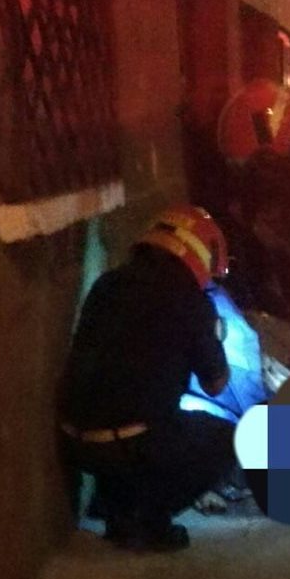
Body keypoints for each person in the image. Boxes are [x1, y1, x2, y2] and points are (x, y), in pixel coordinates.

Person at [57, 206, 236, 551]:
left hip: (76, 445)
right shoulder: (190, 301)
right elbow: (216, 382)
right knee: (224, 437)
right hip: (129, 446)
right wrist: (214, 336)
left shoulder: (108, 283)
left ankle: (117, 509)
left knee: (134, 415)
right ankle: (150, 521)